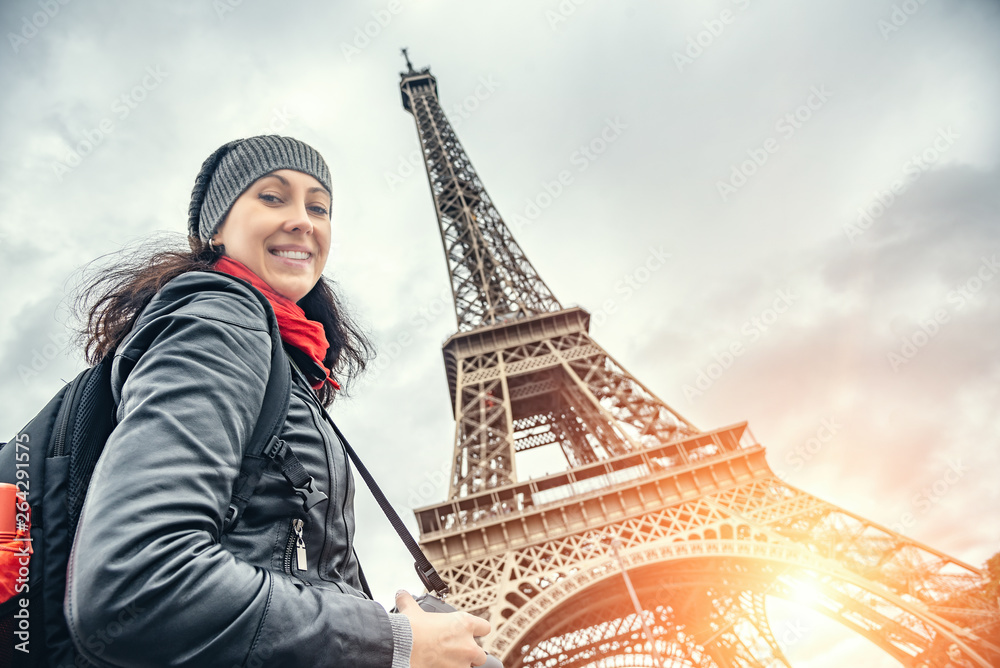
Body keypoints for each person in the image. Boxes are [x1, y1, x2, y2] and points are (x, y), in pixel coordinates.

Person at [66, 135, 491, 667]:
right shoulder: (219, 323)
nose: (303, 221)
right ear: (217, 228)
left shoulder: (290, 364)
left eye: (319, 207)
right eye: (272, 197)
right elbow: (135, 582)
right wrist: (393, 641)